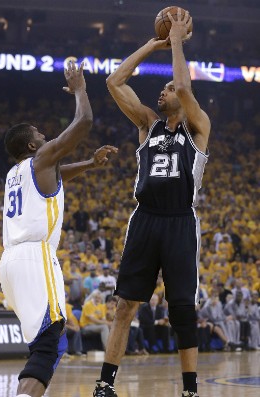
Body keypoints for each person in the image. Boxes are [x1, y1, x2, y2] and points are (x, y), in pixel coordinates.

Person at [93, 9, 211, 397]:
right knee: (125, 305)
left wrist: (176, 41)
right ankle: (104, 384)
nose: (163, 91)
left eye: (167, 88)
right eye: (161, 88)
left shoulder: (198, 127)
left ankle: (190, 390)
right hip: (145, 219)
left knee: (181, 310)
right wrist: (153, 43)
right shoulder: (147, 124)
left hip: (179, 221)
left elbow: (185, 88)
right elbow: (115, 81)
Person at [0, 61, 118, 397]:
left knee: (44, 344)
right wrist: (80, 89)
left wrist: (91, 165)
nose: (45, 136)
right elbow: (84, 122)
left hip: (12, 261)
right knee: (50, 343)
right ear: (34, 147)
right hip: (36, 258)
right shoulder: (41, 160)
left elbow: (58, 174)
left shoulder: (16, 174)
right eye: (40, 134)